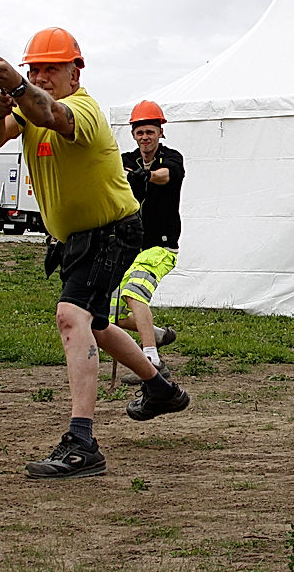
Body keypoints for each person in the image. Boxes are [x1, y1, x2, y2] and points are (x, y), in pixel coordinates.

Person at [0, 27, 191, 480]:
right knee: (95, 322)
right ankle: (160, 390)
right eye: (36, 68)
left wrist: (16, 85)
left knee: (71, 315)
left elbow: (53, 114)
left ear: (76, 71)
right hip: (76, 239)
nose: (43, 75)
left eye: (51, 68)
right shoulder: (26, 107)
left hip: (112, 231)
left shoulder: (83, 108)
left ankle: (82, 443)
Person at [117, 100, 184, 384]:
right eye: (140, 132)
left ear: (160, 133)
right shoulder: (125, 160)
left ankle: (152, 361)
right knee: (105, 315)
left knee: (134, 293)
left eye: (150, 131)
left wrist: (148, 176)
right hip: (129, 245)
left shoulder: (172, 158)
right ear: (133, 134)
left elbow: (166, 176)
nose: (145, 137)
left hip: (161, 247)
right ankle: (155, 334)